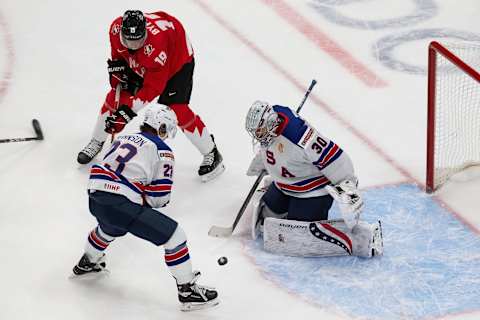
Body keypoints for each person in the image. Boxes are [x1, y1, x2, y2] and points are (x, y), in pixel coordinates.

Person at [72, 105, 219, 311]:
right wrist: (141, 198)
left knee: (110, 227)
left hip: (95, 197)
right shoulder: (162, 150)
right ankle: (188, 291)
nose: (167, 135)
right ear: (161, 127)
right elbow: (159, 197)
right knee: (175, 236)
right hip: (120, 202)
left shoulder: (124, 138)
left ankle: (88, 261)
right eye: (167, 130)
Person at [77, 10, 224, 182]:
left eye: (137, 41)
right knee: (116, 96)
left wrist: (124, 115)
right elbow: (118, 56)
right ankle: (97, 140)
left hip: (177, 58)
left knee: (174, 109)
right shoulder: (115, 29)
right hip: (146, 59)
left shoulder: (156, 46)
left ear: (145, 34)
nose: (132, 46)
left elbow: (152, 88)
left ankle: (211, 152)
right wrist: (117, 70)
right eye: (128, 41)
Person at [245, 101, 383, 258]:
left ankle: (362, 238)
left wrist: (348, 187)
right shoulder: (274, 121)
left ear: (270, 122)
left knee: (297, 233)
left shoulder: (302, 139)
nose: (257, 135)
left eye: (260, 130)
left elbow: (338, 160)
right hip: (285, 184)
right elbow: (276, 148)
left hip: (312, 191)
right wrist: (265, 162)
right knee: (268, 217)